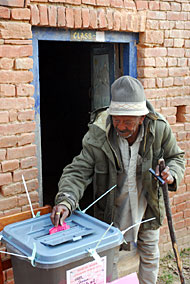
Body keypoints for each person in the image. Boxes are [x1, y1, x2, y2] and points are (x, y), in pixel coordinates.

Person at [51, 76, 185, 284]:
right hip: (112, 209)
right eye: (116, 119)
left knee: (150, 256)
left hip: (146, 206)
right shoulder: (99, 133)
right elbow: (78, 170)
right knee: (108, 259)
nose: (120, 126)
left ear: (142, 118)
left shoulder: (159, 128)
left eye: (128, 122)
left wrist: (171, 173)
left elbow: (176, 157)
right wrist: (66, 199)